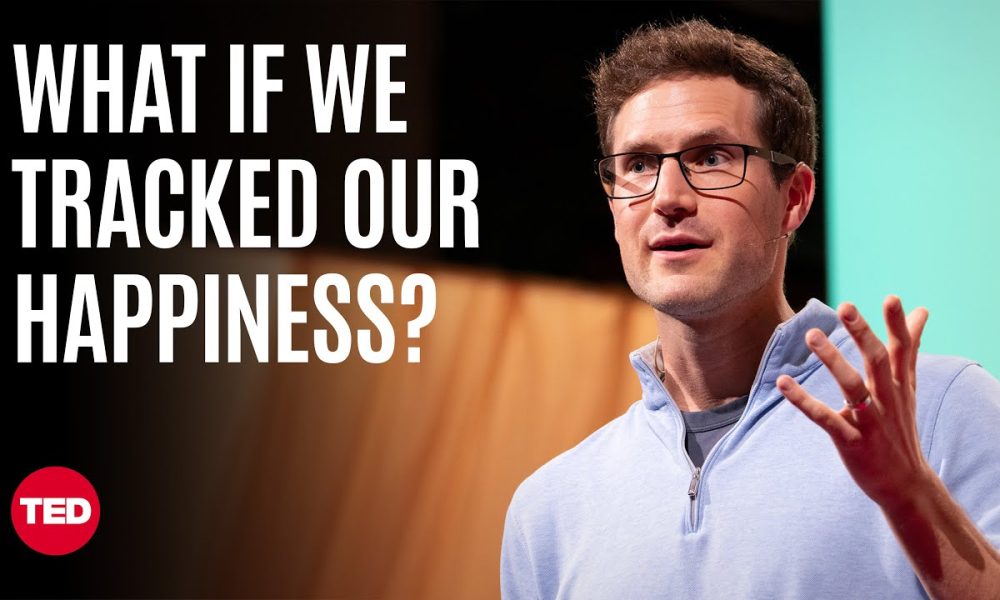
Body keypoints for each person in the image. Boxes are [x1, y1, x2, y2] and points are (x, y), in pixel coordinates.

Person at [500, 19, 1000, 599]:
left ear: (794, 198)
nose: (668, 199)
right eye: (638, 164)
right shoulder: (549, 511)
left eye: (711, 157)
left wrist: (912, 498)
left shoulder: (939, 410)